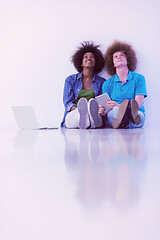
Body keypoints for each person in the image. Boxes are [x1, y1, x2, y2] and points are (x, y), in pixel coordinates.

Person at [99, 41, 147, 129]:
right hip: (114, 113)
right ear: (112, 63)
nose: (119, 57)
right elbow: (106, 109)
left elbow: (138, 104)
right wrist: (102, 111)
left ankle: (124, 122)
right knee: (115, 112)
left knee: (138, 116)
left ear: (128, 59)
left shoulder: (139, 78)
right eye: (115, 56)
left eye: (122, 55)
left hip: (135, 112)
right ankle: (127, 121)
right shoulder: (107, 84)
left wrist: (118, 105)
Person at [61, 41, 106, 129]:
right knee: (76, 117)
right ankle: (84, 118)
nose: (89, 58)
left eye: (92, 57)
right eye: (86, 57)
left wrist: (101, 109)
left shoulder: (102, 82)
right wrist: (81, 110)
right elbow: (68, 103)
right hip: (75, 114)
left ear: (96, 63)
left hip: (94, 114)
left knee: (95, 117)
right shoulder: (70, 80)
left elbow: (102, 103)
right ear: (81, 62)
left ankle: (90, 120)